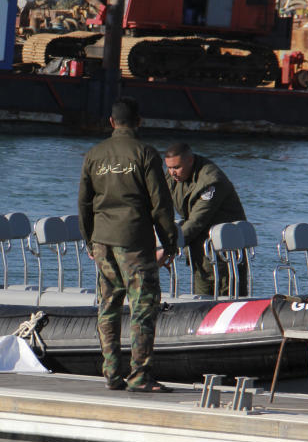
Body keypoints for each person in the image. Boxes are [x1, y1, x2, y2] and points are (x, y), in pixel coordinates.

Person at [78, 98, 177, 393]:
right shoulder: (145, 153)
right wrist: (169, 240)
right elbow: (160, 203)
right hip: (134, 241)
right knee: (143, 307)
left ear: (111, 122)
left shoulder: (94, 155)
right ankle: (140, 376)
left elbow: (83, 203)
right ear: (139, 121)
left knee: (108, 308)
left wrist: (89, 240)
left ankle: (111, 373)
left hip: (103, 241)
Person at [163, 143, 247, 297]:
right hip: (199, 249)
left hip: (224, 253)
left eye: (176, 167)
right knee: (201, 295)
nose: (172, 172)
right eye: (169, 168)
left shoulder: (211, 181)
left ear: (190, 160)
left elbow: (197, 220)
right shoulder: (172, 177)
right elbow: (157, 205)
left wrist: (169, 248)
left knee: (225, 296)